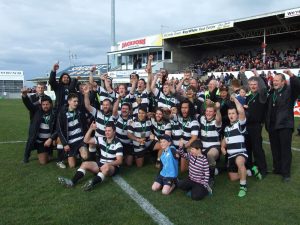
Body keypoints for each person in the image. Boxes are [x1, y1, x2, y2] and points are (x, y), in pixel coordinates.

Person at [58, 122, 123, 191]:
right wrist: (91, 129)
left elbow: (119, 161)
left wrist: (108, 164)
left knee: (106, 167)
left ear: (114, 132)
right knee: (84, 164)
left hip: (112, 167)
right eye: (106, 130)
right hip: (101, 164)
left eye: (109, 131)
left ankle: (91, 184)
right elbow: (86, 140)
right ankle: (72, 182)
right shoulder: (102, 139)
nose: (107, 132)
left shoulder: (118, 143)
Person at [265, 70, 300, 182]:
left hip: (285, 125)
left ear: (283, 82)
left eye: (277, 80)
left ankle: (286, 173)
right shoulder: (272, 93)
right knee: (275, 148)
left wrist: (291, 75)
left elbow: (297, 85)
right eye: (273, 80)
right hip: (273, 126)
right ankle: (278, 168)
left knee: (285, 150)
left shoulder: (290, 91)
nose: (274, 82)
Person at [240, 69, 268, 178]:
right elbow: (246, 85)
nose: (253, 86)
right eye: (251, 84)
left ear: (258, 85)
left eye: (255, 84)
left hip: (256, 125)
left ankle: (263, 169)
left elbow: (264, 87)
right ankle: (250, 167)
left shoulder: (261, 96)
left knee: (257, 148)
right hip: (247, 125)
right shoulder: (248, 97)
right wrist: (242, 74)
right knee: (247, 147)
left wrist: (256, 74)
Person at [221, 95, 248, 197]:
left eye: (233, 113)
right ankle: (249, 171)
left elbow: (241, 111)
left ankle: (243, 186)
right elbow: (224, 140)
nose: (231, 115)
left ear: (236, 115)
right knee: (232, 178)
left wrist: (235, 99)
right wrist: (222, 147)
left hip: (240, 153)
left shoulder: (240, 124)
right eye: (229, 114)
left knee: (239, 161)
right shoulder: (227, 128)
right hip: (230, 156)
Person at [22, 88, 57, 164]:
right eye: (43, 104)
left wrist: (52, 138)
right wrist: (24, 95)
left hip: (50, 140)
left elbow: (58, 128)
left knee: (59, 140)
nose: (45, 106)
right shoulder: (36, 111)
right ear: (41, 105)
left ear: (50, 104)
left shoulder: (54, 113)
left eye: (47, 104)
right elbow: (29, 105)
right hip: (40, 141)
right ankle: (26, 156)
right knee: (43, 162)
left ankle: (54, 153)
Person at [57, 93, 89, 168]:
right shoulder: (62, 113)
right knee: (72, 165)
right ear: (69, 101)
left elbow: (84, 125)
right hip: (71, 142)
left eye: (77, 101)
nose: (76, 103)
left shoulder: (79, 111)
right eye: (74, 101)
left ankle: (80, 154)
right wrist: (65, 144)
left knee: (85, 156)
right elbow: (59, 130)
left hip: (80, 140)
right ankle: (71, 155)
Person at [199, 102, 222, 186]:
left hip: (214, 147)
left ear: (214, 113)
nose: (208, 113)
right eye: (207, 111)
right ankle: (217, 169)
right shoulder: (202, 118)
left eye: (211, 111)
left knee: (210, 155)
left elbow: (219, 120)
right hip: (202, 148)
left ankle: (211, 178)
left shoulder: (216, 121)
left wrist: (218, 109)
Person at [112, 96, 133, 166]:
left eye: (126, 109)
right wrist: (118, 99)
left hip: (128, 144)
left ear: (129, 111)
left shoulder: (132, 120)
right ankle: (121, 157)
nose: (124, 110)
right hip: (118, 143)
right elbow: (114, 110)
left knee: (129, 164)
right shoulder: (117, 117)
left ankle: (123, 157)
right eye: (123, 108)